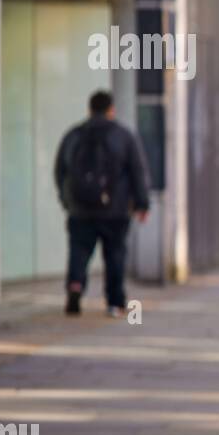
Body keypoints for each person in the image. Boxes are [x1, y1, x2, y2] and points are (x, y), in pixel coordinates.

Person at [54, 90, 150, 317]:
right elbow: (137, 171)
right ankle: (115, 302)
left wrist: (66, 200)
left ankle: (75, 286)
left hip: (80, 209)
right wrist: (141, 204)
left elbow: (60, 170)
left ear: (89, 109)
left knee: (79, 251)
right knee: (115, 254)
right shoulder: (123, 136)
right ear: (111, 110)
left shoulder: (74, 135)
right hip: (114, 211)